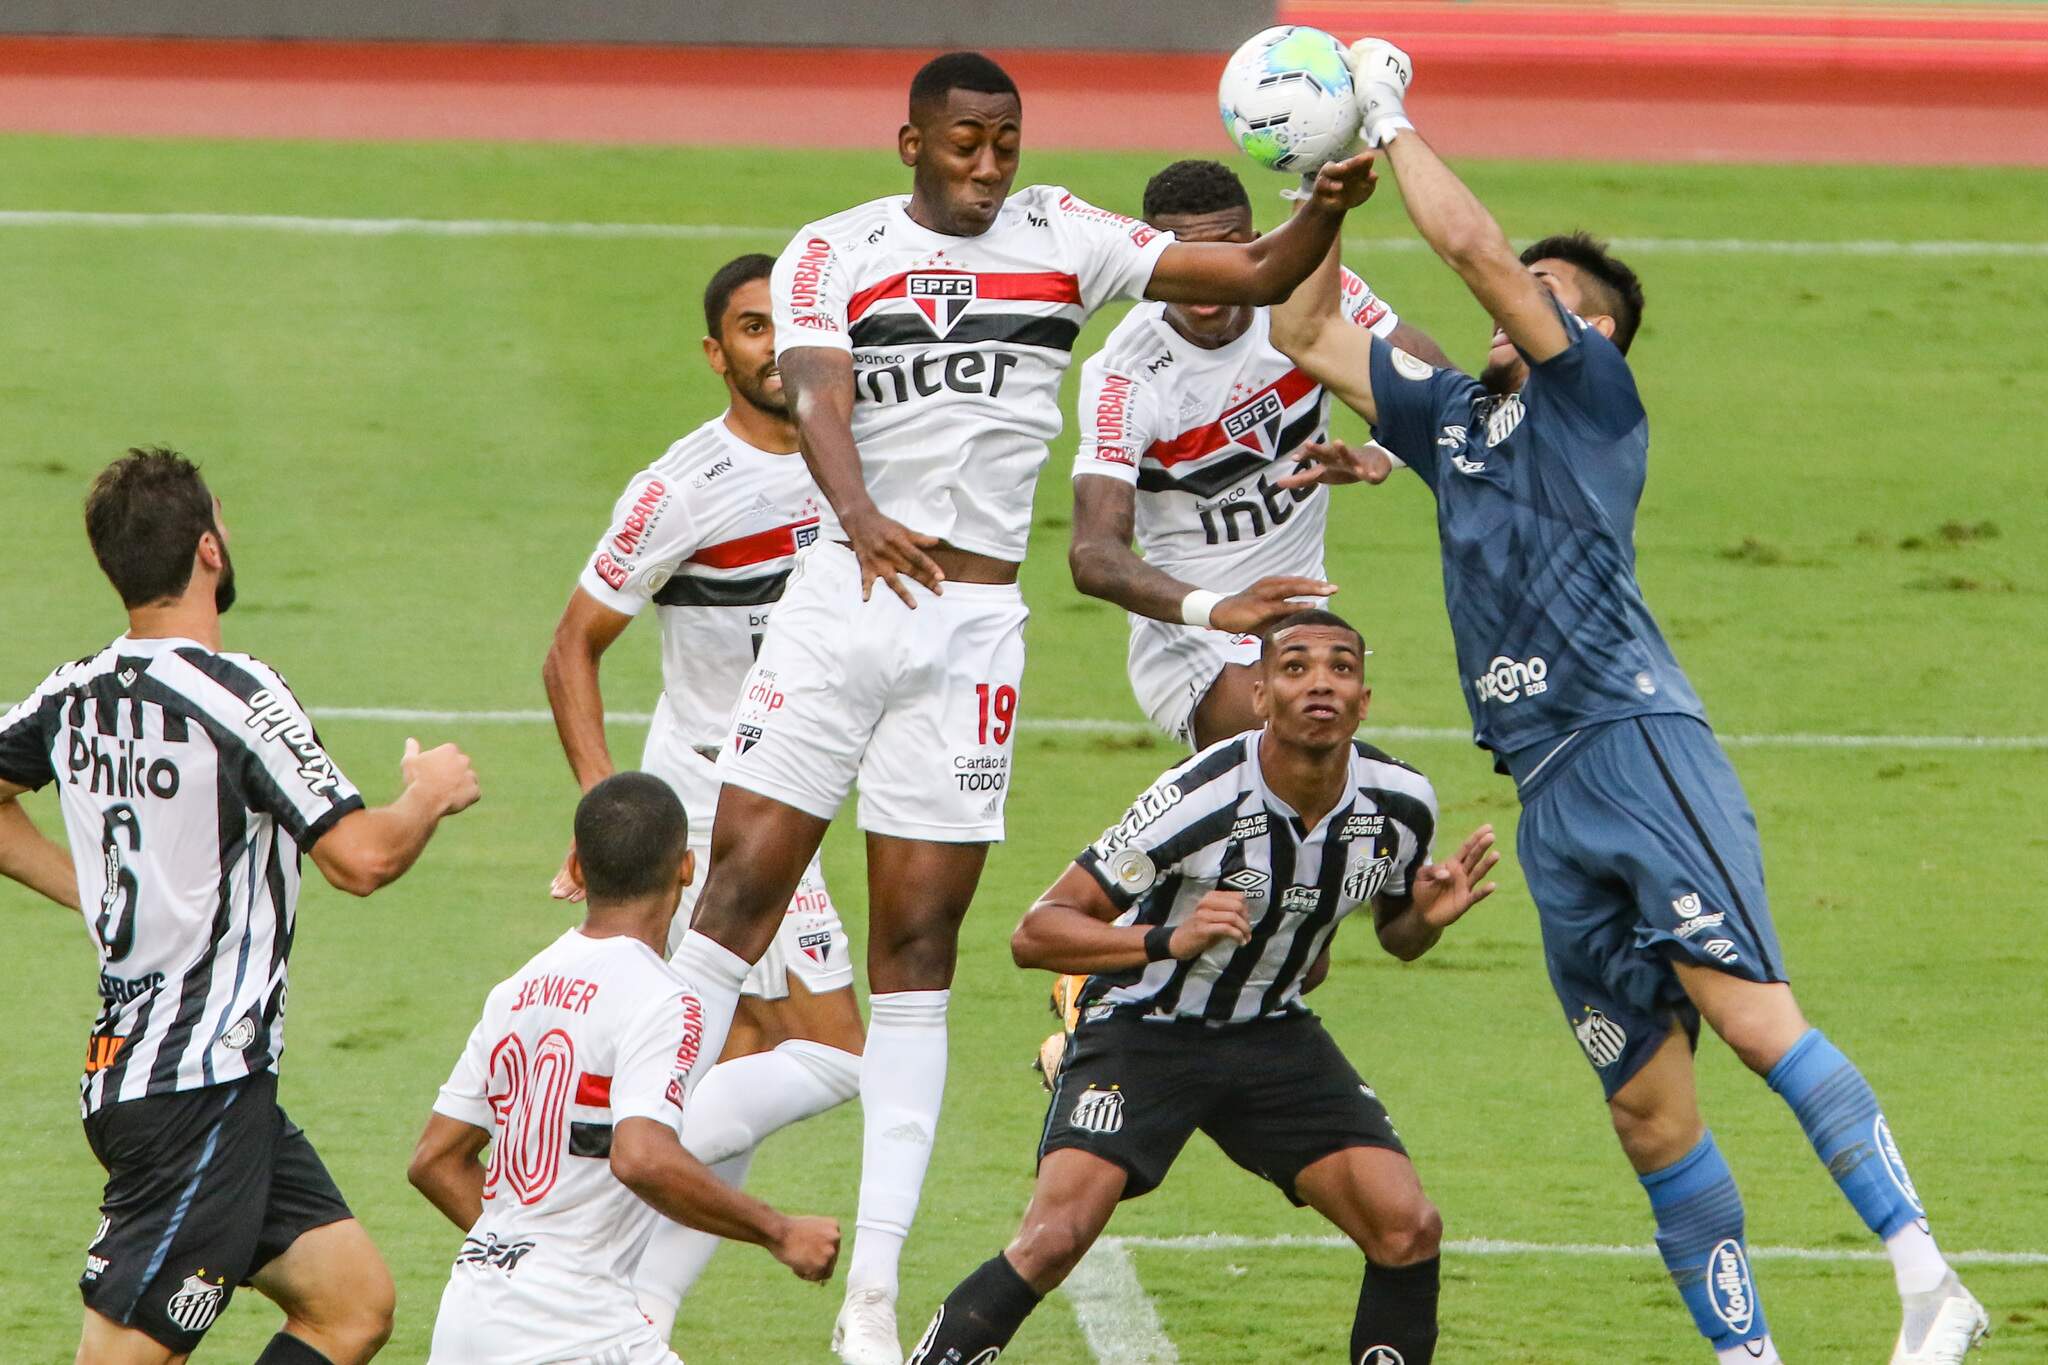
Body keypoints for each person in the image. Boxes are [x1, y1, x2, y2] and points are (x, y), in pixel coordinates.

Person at [1268, 39, 1988, 1365]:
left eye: (1537, 300)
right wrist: (1331, 190)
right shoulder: (1455, 423)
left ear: (1587, 329)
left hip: (1634, 744)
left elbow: (1481, 250)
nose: (1500, 311)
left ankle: (1926, 1271)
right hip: (1547, 790)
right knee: (1647, 1114)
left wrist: (1395, 118)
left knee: (1749, 1016)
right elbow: (1306, 330)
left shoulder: (1593, 401)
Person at [670, 50, 1381, 1364]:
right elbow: (821, 388)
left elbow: (1255, 274)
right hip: (846, 597)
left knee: (922, 951)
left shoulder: (1065, 232)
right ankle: (619, 1177)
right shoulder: (833, 247)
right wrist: (860, 513)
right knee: (737, 894)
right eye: (963, 143)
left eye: (1004, 141)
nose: (987, 164)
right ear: (911, 143)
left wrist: (1328, 202)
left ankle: (873, 1300)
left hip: (977, 628)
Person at [909, 610, 1497, 1365]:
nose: (1320, 680)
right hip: (1144, 1025)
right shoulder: (1198, 797)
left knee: (1408, 1226)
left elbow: (1396, 934)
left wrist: (1426, 920)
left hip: (1272, 1033)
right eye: (1296, 667)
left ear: (1364, 699)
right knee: (1053, 1239)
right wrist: (1167, 939)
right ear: (1259, 697)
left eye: (1341, 667)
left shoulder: (1401, 805)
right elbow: (1038, 931)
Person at [0, 447, 480, 1365]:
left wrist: (93, 891)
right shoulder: (239, 697)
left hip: (168, 1078)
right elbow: (361, 859)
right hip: (195, 1090)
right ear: (210, 549)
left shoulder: (74, 693)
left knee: (351, 1302)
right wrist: (428, 792)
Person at [541, 252, 865, 1337]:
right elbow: (570, 650)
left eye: (787, 325)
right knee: (829, 1052)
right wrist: (611, 823)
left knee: (727, 1059)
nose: (771, 347)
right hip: (723, 806)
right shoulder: (683, 487)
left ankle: (627, 1310)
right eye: (748, 327)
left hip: (796, 790)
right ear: (715, 351)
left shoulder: (853, 459)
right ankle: (596, 1173)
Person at [408, 772, 841, 1365]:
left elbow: (434, 1160)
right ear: (685, 870)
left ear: (577, 868)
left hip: (467, 1316)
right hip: (576, 1335)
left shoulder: (515, 989)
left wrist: (523, 1254)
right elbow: (641, 1156)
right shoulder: (663, 998)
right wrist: (780, 1232)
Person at [1070, 157, 1451, 750]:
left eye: (1228, 251)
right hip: (1192, 633)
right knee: (1291, 737)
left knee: (1312, 793)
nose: (1210, 281)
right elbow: (1093, 555)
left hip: (1305, 628)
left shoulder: (1314, 299)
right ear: (1152, 261)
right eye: (1185, 260)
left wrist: (1386, 454)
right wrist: (1222, 610)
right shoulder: (1126, 376)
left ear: (1254, 245)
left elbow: (1447, 396)